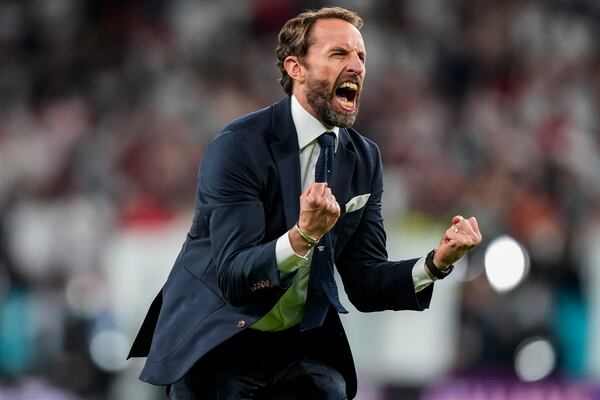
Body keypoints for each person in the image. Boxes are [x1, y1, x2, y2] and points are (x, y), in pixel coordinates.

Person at [128, 6, 482, 399]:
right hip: (221, 338)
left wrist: (435, 263)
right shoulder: (239, 147)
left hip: (301, 348)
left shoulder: (364, 159)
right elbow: (234, 276)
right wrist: (302, 237)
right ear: (296, 68)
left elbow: (364, 281)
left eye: (361, 56)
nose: (356, 67)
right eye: (338, 54)